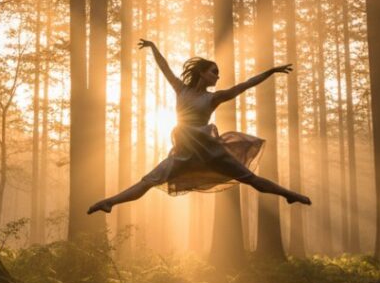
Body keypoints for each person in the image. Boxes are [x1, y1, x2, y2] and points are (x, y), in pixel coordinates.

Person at [87, 39, 311, 214]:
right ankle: (109, 202)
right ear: (202, 73)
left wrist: (270, 72)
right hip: (183, 153)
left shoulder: (213, 98)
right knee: (148, 181)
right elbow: (164, 67)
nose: (217, 76)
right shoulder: (181, 89)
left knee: (250, 179)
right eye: (214, 71)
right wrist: (153, 47)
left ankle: (289, 195)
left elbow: (244, 85)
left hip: (210, 150)